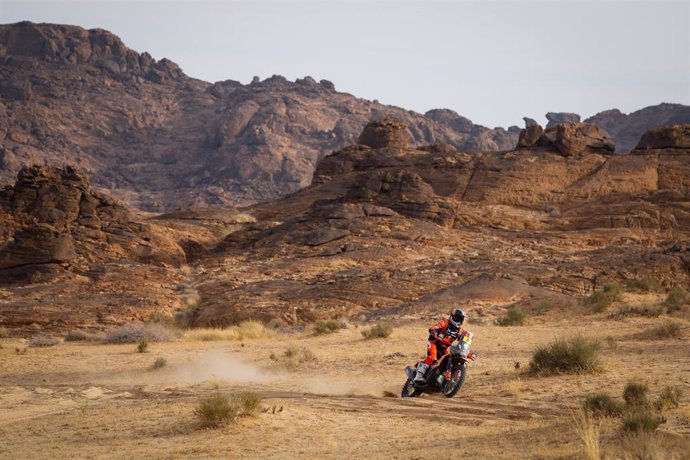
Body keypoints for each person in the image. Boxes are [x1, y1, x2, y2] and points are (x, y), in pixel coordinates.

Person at [413, 308, 465, 383]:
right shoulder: (444, 322)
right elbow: (433, 328)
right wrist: (434, 332)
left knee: (449, 359)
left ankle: (443, 378)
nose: (459, 320)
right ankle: (419, 376)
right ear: (453, 316)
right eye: (458, 318)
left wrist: (465, 346)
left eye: (461, 319)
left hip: (444, 347)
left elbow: (463, 339)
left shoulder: (460, 330)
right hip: (434, 342)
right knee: (432, 358)